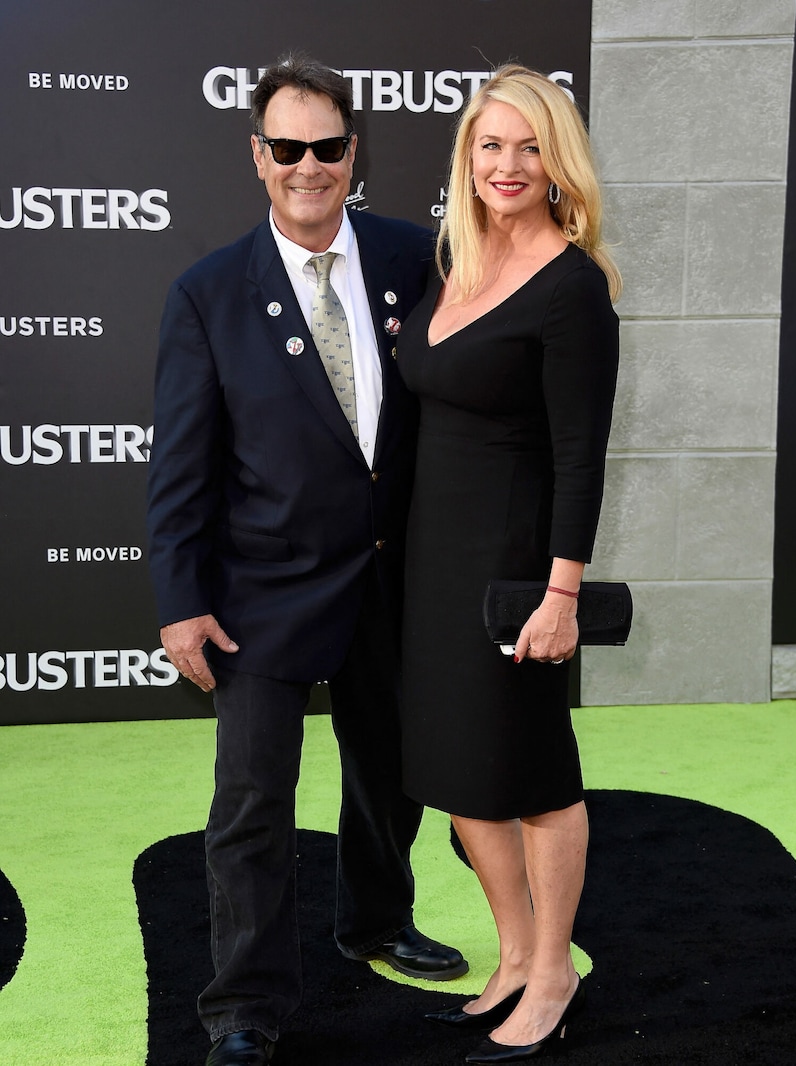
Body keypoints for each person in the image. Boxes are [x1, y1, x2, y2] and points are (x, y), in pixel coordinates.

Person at [146, 53, 467, 1066]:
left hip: (389, 578)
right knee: (250, 800)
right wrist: (179, 600)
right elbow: (180, 464)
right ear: (257, 157)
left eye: (325, 147)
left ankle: (374, 919)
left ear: (351, 153)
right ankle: (243, 1002)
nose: (307, 166)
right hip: (259, 591)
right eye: (286, 148)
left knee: (389, 772)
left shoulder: (415, 258)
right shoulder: (207, 292)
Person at [396, 65, 621, 1064]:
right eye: (490, 145)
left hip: (516, 573)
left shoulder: (571, 289)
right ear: (467, 155)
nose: (507, 164)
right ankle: (519, 952)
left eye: (529, 146)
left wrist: (560, 591)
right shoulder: (454, 262)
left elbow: (579, 454)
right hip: (430, 567)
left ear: (557, 161)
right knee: (461, 779)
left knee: (531, 775)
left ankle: (555, 966)